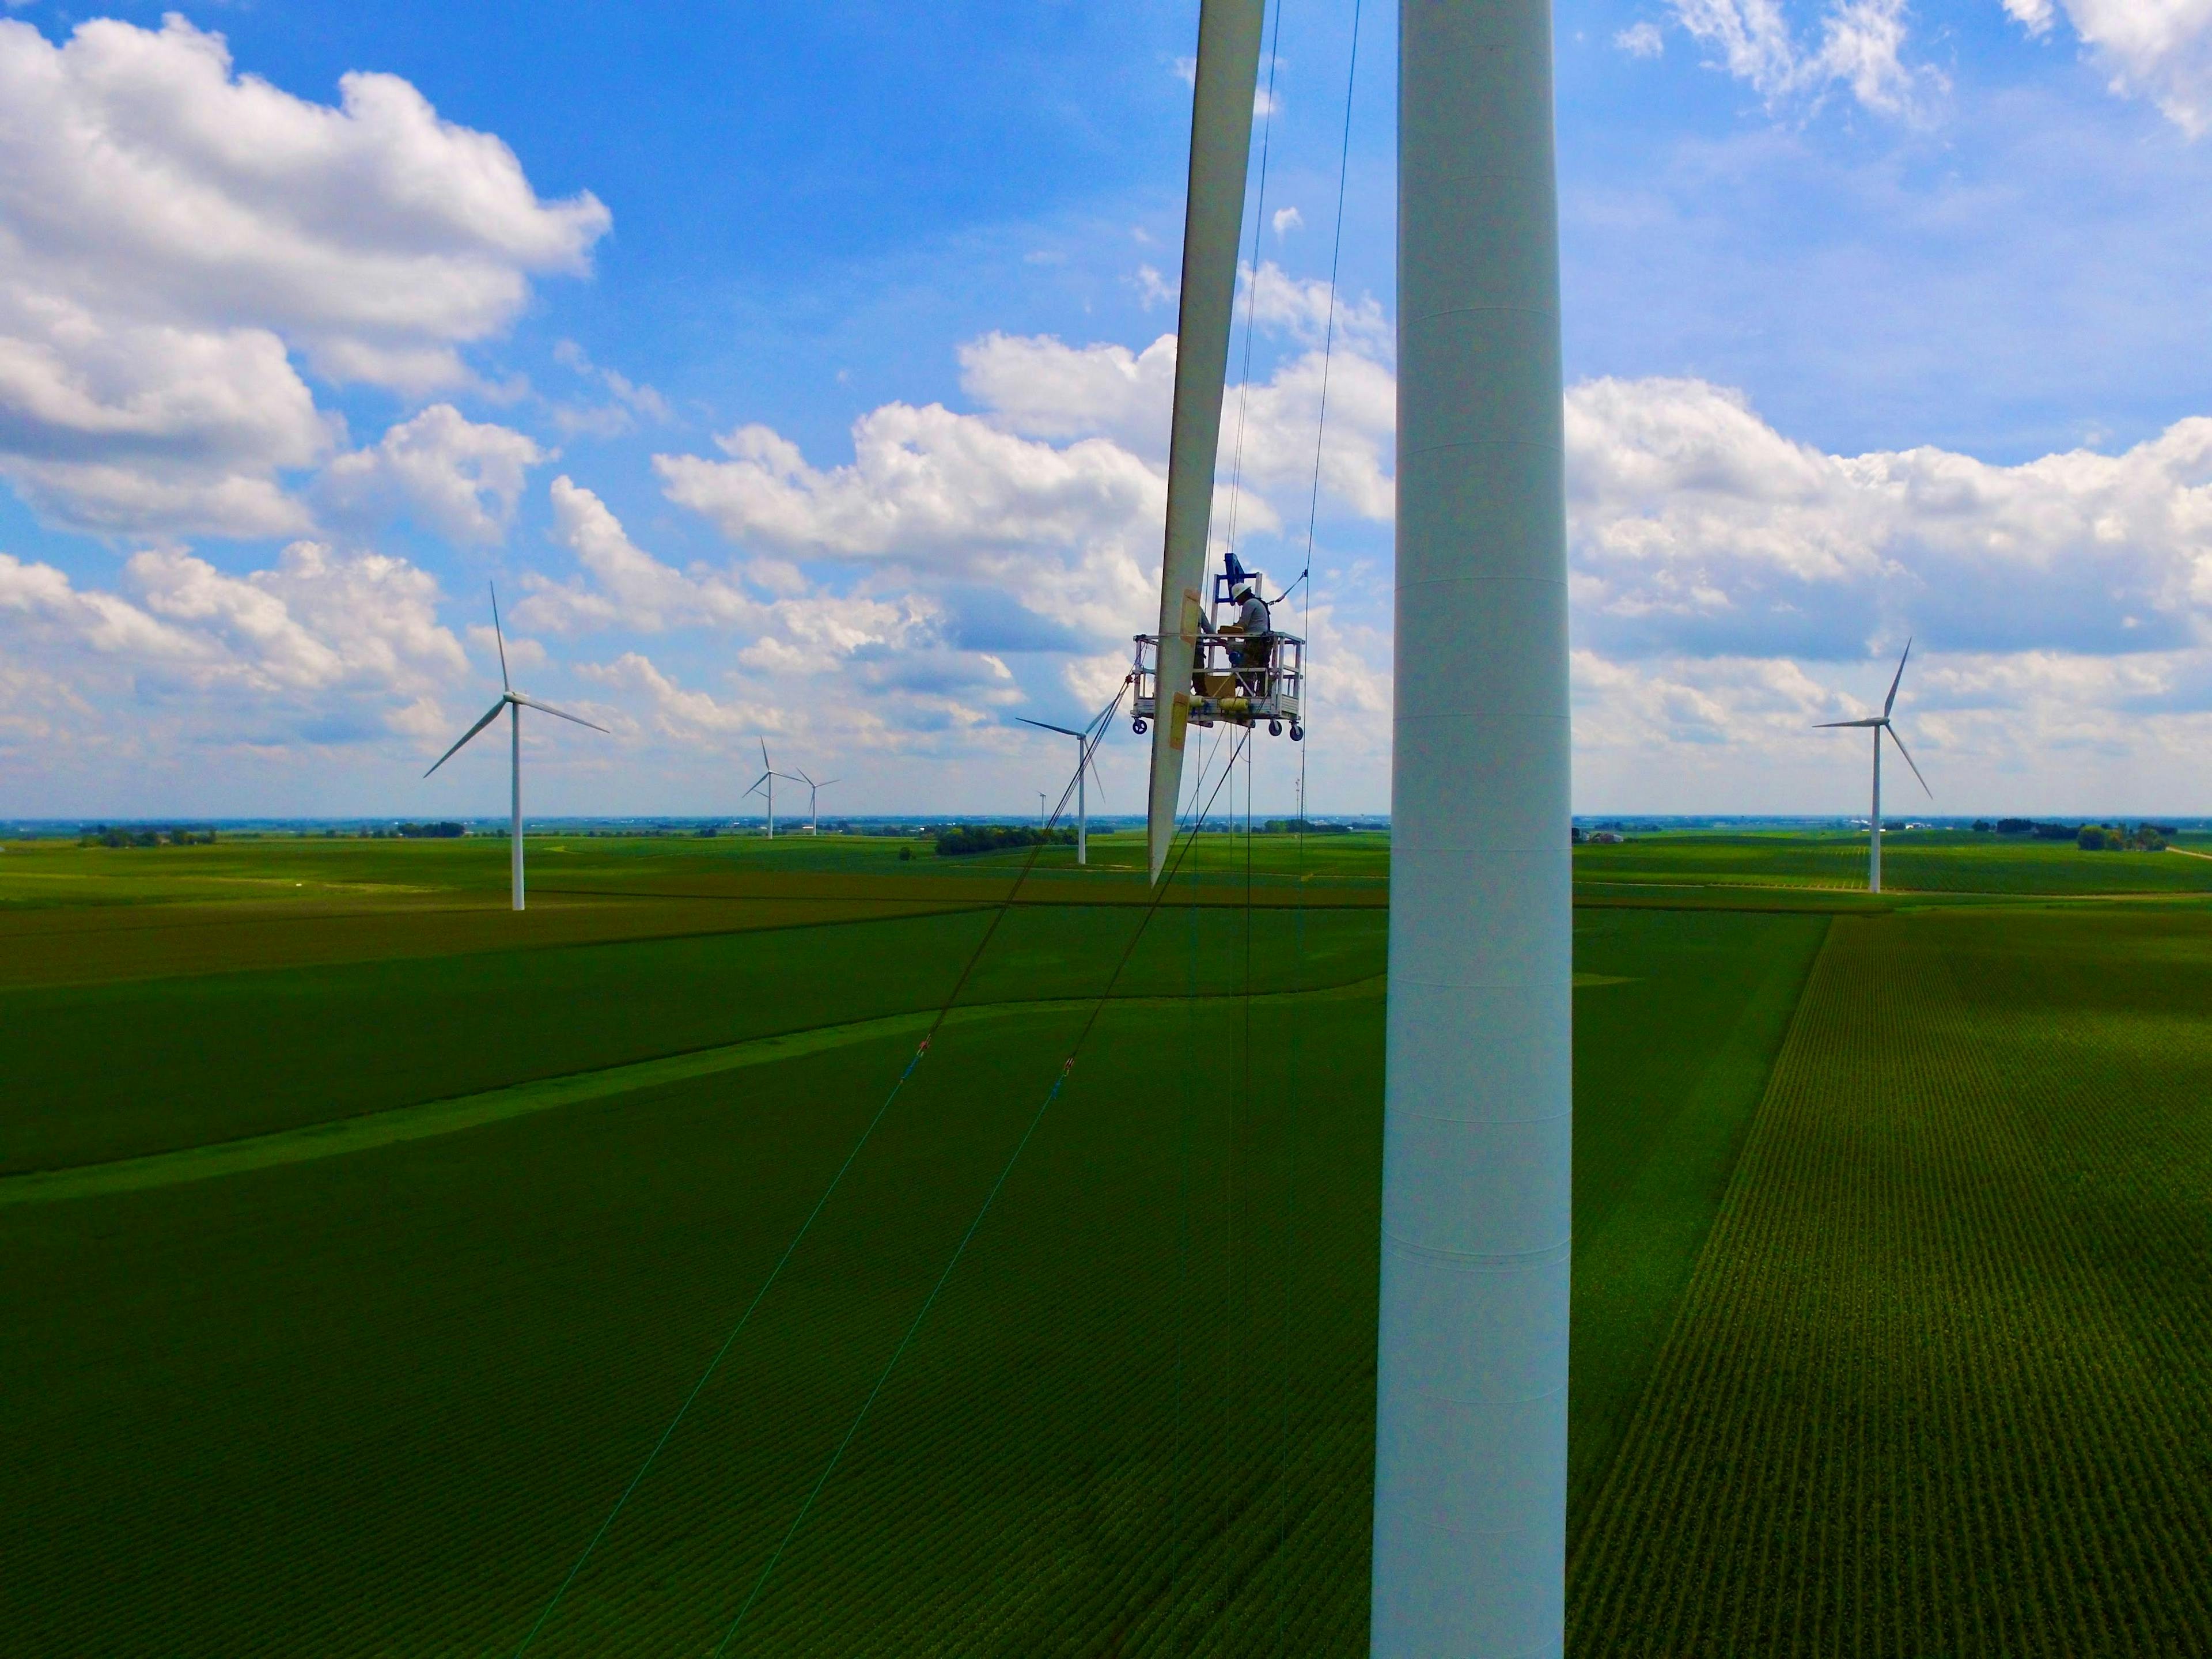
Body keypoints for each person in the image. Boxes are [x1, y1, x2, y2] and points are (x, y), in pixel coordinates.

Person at [1225, 580, 1272, 694]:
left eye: (1237, 599)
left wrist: (1228, 631)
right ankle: (1263, 694)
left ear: (1242, 595)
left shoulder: (1249, 604)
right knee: (1262, 670)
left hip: (1255, 642)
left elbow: (1243, 624)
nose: (1237, 602)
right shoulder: (1257, 603)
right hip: (1263, 642)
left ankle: (1248, 694)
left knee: (1247, 668)